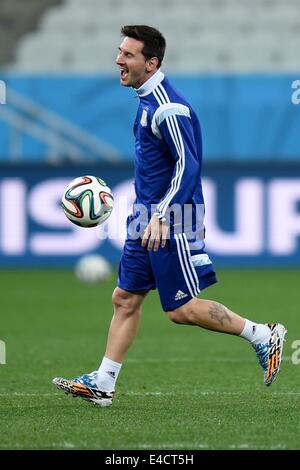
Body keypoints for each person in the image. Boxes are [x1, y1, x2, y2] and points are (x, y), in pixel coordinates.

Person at [53, 25, 287, 407]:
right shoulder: (146, 99)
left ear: (152, 61)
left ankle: (263, 335)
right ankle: (103, 384)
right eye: (120, 52)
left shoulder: (168, 107)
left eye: (128, 55)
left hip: (171, 219)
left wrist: (162, 215)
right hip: (145, 215)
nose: (119, 60)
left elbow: (188, 165)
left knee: (181, 309)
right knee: (125, 298)